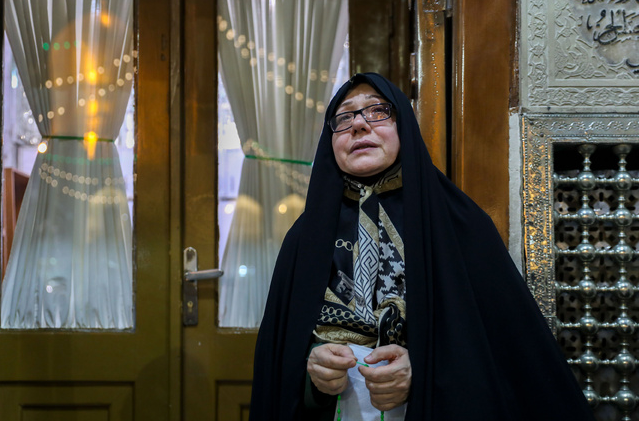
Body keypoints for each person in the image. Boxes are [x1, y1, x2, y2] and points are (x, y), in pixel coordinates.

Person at [249, 73, 595, 420]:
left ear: (405, 127)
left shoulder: (458, 225)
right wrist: (314, 371)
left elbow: (494, 351)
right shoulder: (304, 238)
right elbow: (281, 360)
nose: (358, 125)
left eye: (377, 111)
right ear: (331, 141)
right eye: (344, 117)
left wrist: (421, 372)